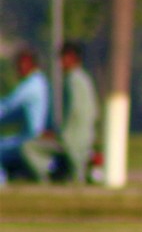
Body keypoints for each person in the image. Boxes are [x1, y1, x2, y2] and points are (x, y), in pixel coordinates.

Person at [20, 42, 100, 183]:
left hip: (72, 140)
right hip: (85, 136)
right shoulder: (84, 78)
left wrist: (60, 134)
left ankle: (48, 176)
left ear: (72, 57)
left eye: (63, 58)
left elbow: (74, 112)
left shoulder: (73, 80)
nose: (60, 63)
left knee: (28, 147)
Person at [0, 47, 51, 184]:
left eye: (21, 64)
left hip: (32, 139)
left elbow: (8, 106)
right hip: (30, 136)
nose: (18, 69)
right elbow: (12, 114)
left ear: (31, 64)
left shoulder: (31, 85)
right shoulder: (40, 82)